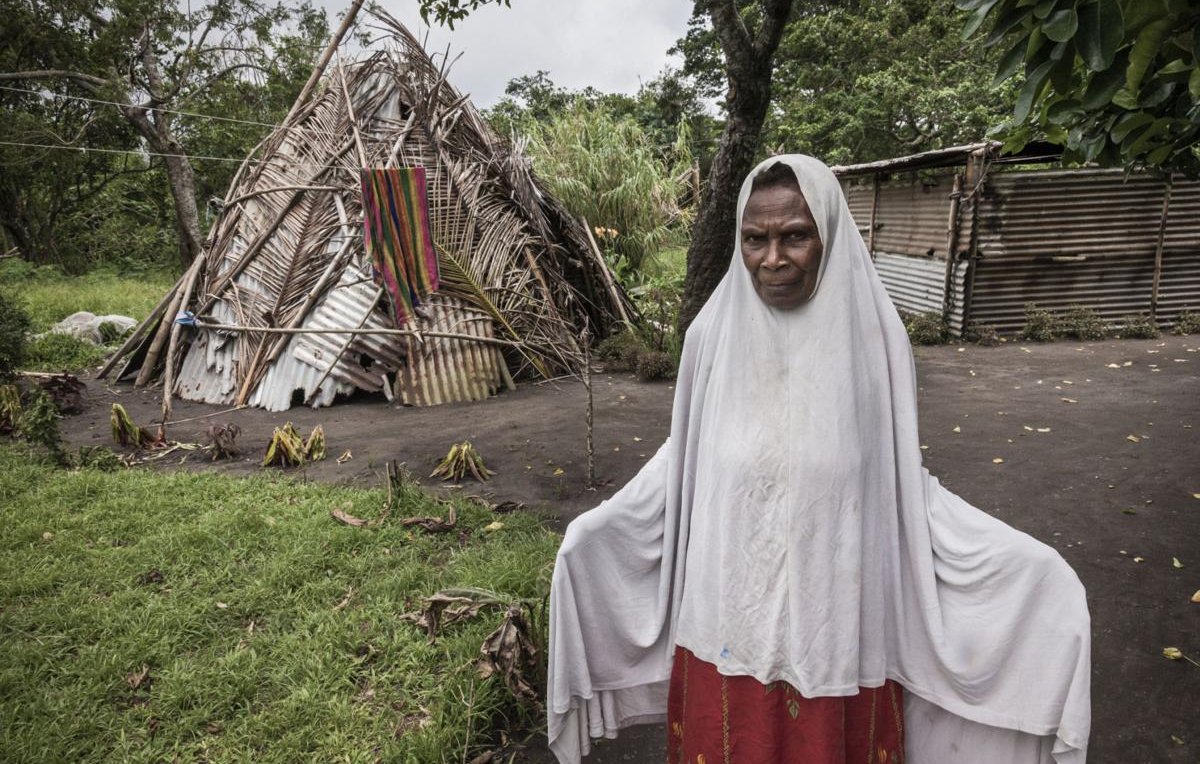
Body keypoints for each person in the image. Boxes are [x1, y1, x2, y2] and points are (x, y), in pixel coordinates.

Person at [547, 155, 1091, 763]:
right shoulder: (712, 338)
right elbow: (687, 463)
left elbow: (896, 483)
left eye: (795, 236)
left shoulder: (874, 342)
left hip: (838, 627)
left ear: (829, 233)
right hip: (729, 625)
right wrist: (597, 534)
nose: (773, 259)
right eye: (755, 239)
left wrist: (1026, 572)